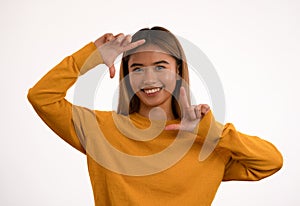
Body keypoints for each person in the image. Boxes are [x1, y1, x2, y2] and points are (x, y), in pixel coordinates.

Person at [27, 26, 283, 206]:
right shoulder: (100, 130)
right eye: (137, 68)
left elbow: (271, 161)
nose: (149, 79)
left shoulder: (209, 142)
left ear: (178, 69)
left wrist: (211, 133)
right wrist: (91, 57)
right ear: (127, 75)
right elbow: (42, 97)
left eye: (160, 67)